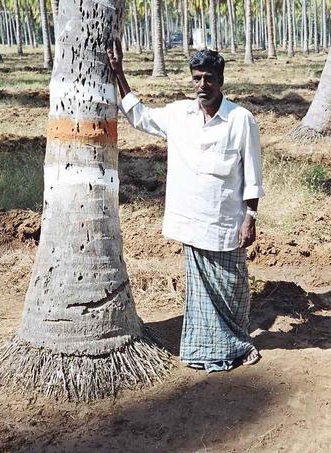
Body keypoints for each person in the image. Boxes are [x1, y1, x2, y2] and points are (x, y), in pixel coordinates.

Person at [108, 40, 265, 372]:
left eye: (208, 78)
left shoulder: (241, 120)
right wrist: (119, 72)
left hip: (226, 223)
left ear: (221, 80)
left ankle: (238, 343)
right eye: (196, 78)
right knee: (201, 294)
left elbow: (252, 175)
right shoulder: (179, 114)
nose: (202, 86)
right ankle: (204, 349)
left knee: (233, 290)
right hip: (193, 223)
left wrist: (250, 217)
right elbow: (140, 117)